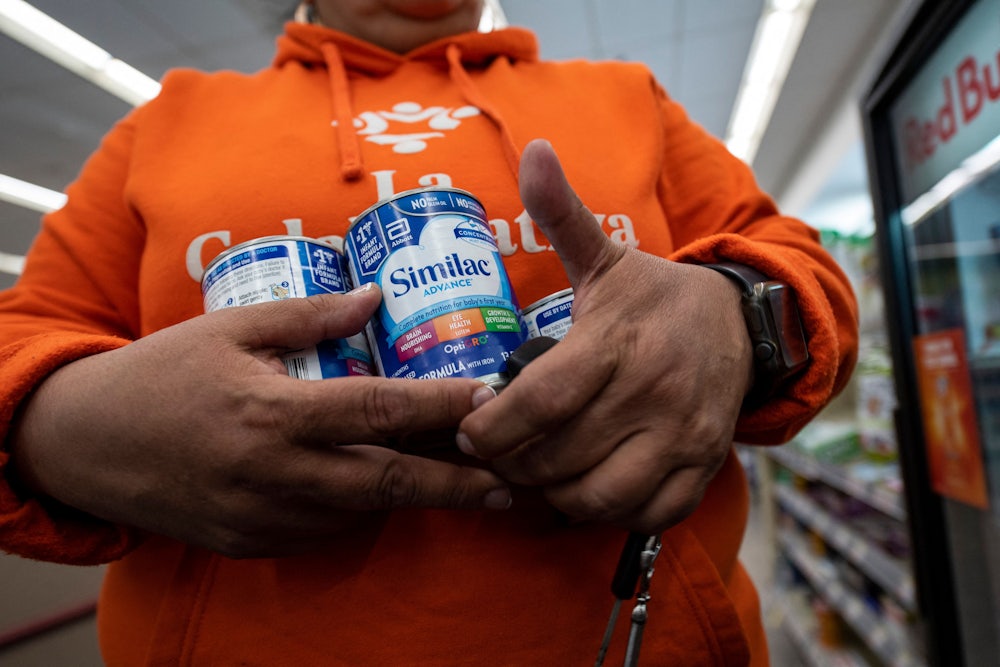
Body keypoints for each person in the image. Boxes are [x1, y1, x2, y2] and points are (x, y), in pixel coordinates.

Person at [0, 0, 858, 664]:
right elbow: (19, 339)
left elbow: (804, 270)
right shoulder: (167, 122)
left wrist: (736, 310)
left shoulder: (626, 95)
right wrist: (70, 423)